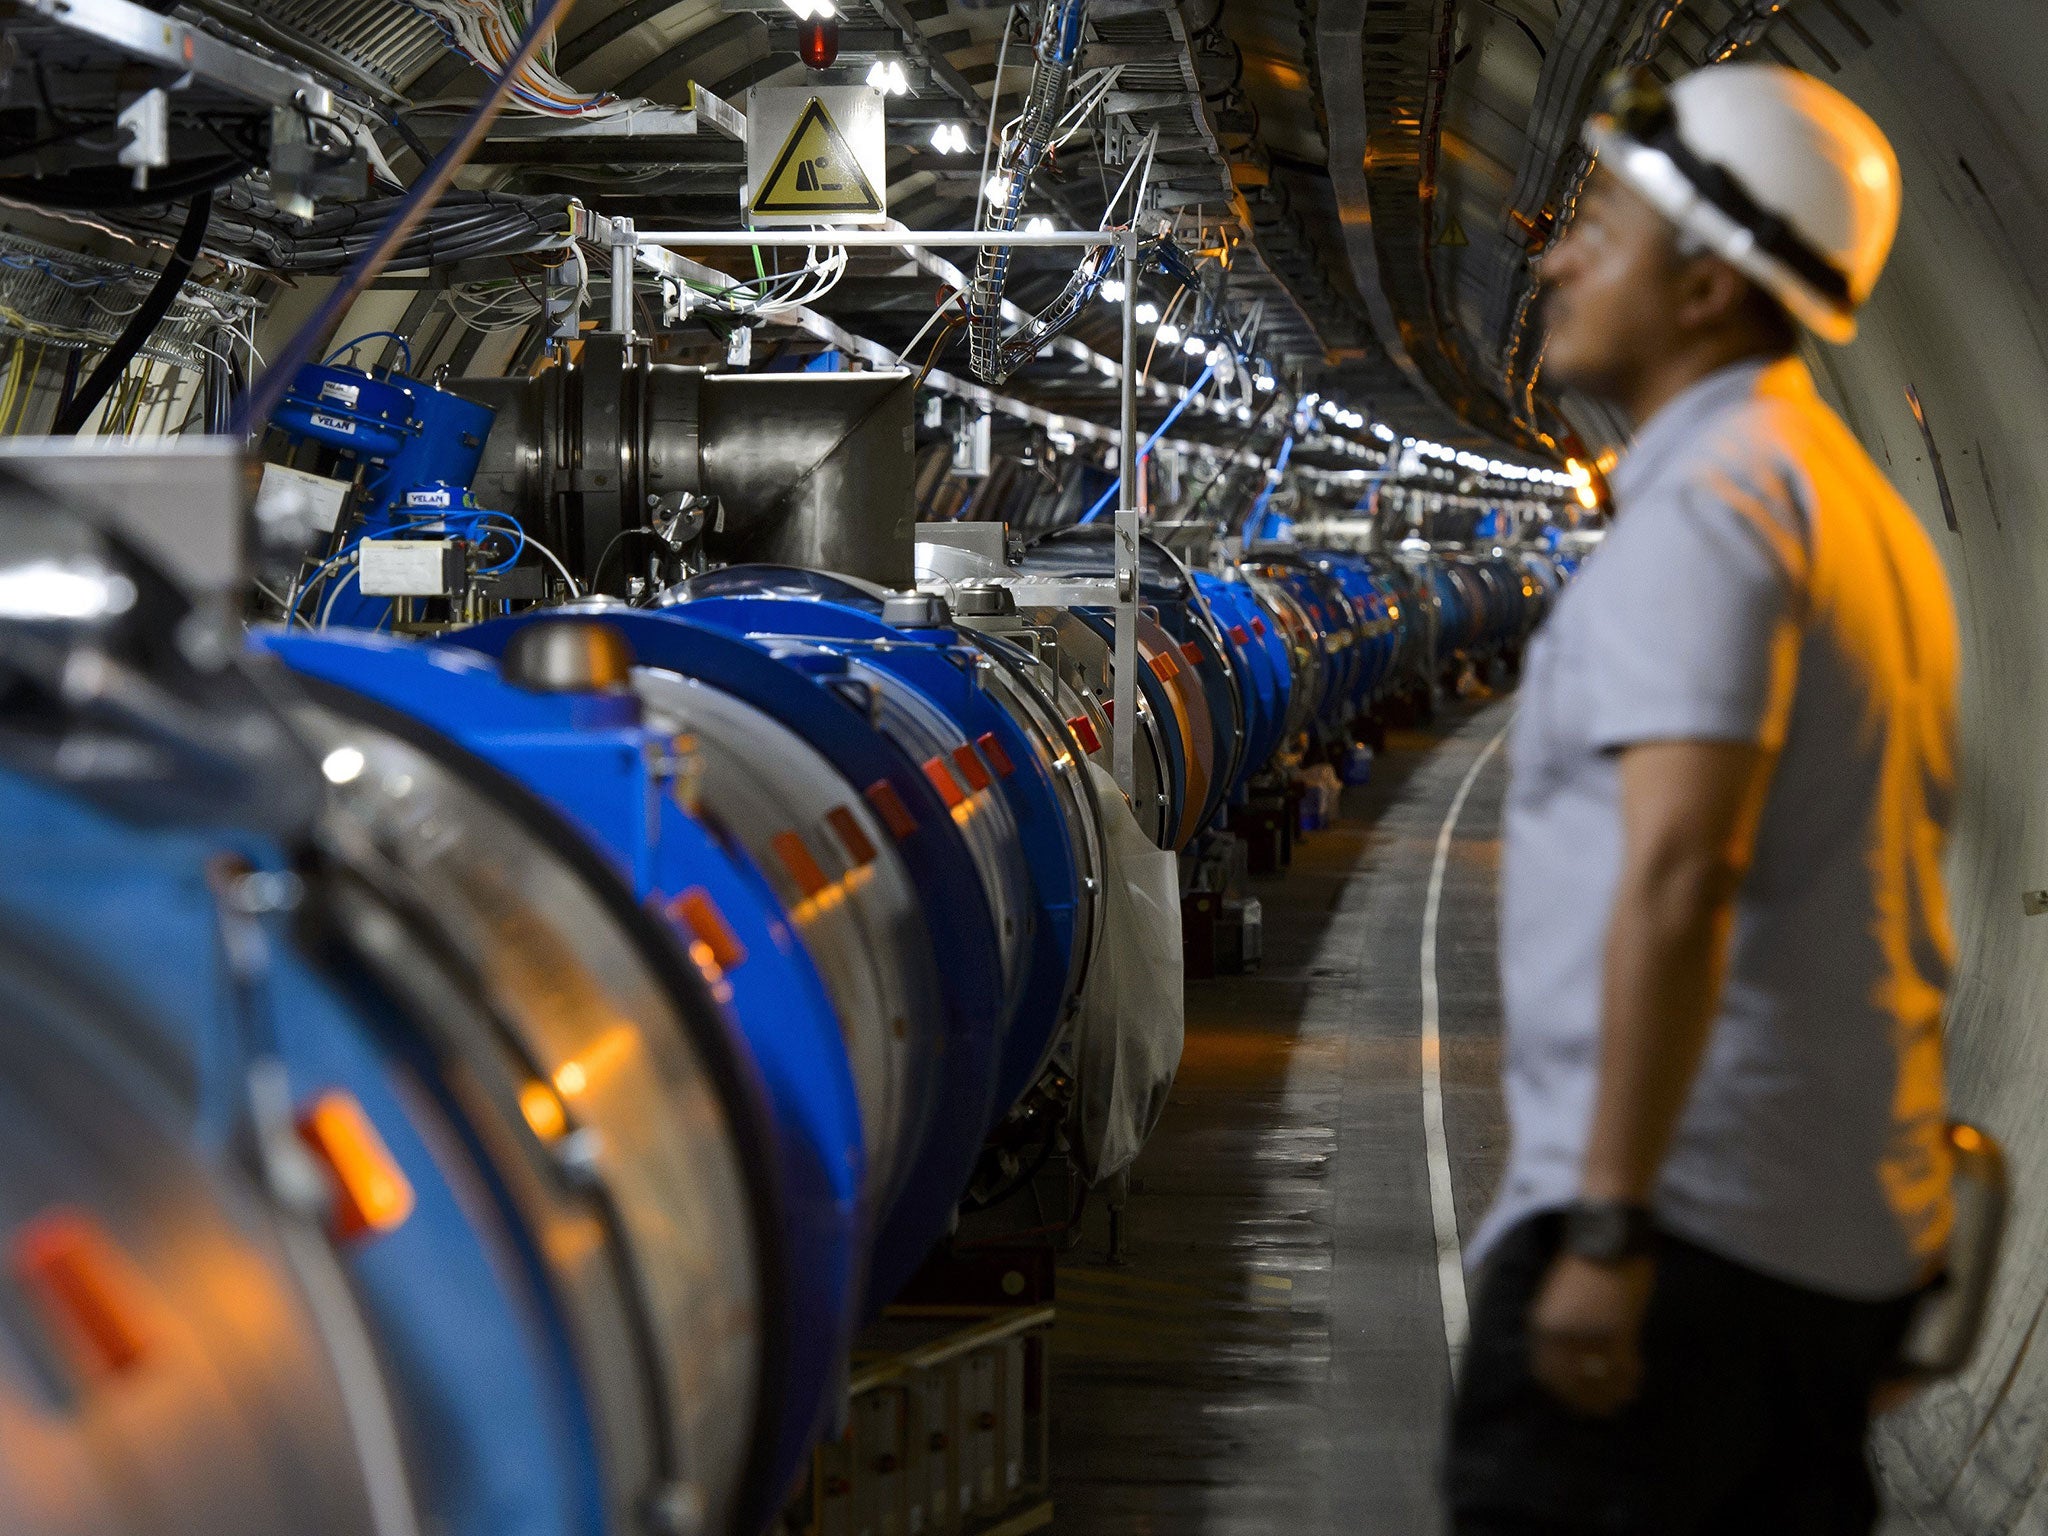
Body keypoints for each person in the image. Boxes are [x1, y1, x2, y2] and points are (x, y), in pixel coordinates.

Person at [1444, 63, 1958, 1536]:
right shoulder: (1837, 500)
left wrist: (1606, 1228)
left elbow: (1682, 873)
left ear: (1710, 288)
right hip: (1802, 1233)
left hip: (1677, 1241)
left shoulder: (1715, 512)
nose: (1554, 254)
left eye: (1601, 224)